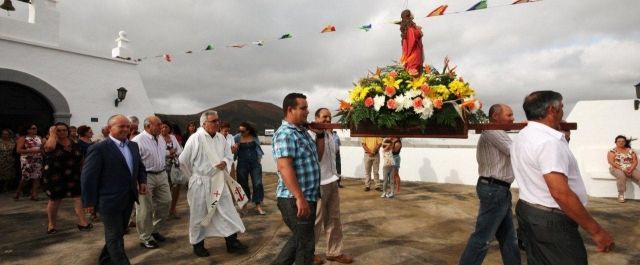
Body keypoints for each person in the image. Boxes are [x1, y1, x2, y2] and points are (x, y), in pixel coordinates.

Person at [511, 91, 614, 264]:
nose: (563, 112)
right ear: (552, 109)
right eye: (562, 107)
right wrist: (597, 231)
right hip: (551, 221)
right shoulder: (549, 142)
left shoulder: (524, 135)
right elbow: (560, 193)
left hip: (530, 211)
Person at [179, 110, 248, 258]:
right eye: (214, 121)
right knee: (199, 214)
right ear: (204, 123)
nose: (217, 123)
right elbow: (183, 161)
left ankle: (232, 242)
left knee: (227, 210)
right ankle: (197, 244)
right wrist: (194, 177)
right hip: (201, 183)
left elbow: (228, 156)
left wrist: (225, 162)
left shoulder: (221, 138)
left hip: (219, 181)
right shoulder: (195, 138)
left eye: (218, 121)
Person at [459, 104, 521, 265]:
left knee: (509, 237)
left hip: (498, 189)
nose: (513, 118)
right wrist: (530, 131)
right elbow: (515, 151)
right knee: (483, 238)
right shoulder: (492, 131)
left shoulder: (496, 132)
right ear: (495, 116)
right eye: (509, 115)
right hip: (495, 190)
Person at [81, 114, 148, 265]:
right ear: (109, 128)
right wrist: (89, 202)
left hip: (129, 198)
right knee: (114, 235)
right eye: (121, 126)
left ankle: (105, 260)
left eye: (127, 126)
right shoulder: (98, 148)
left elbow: (140, 167)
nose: (126, 129)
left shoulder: (133, 145)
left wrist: (142, 180)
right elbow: (88, 177)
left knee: (118, 234)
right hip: (108, 201)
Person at [272, 93, 321, 265]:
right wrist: (299, 197)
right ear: (290, 110)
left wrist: (320, 135)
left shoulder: (302, 132)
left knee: (300, 240)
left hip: (307, 196)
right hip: (294, 198)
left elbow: (317, 157)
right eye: (303, 108)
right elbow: (285, 167)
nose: (307, 111)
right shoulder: (286, 133)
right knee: (306, 246)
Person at [309, 108, 354, 265]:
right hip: (318, 184)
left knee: (334, 219)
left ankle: (334, 252)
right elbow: (316, 156)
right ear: (316, 118)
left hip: (332, 181)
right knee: (316, 221)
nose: (327, 120)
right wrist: (319, 135)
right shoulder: (311, 134)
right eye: (324, 117)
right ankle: (309, 254)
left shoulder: (331, 134)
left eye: (329, 117)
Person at [42, 123, 92, 234]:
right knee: (55, 200)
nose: (62, 132)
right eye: (58, 130)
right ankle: (51, 224)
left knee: (78, 197)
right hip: (54, 175)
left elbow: (81, 158)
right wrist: (52, 134)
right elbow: (49, 148)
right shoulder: (50, 141)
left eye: (64, 130)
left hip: (73, 174)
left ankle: (83, 222)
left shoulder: (74, 143)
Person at [131, 116, 172, 249]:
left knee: (166, 202)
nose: (161, 127)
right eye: (158, 125)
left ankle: (154, 229)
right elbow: (134, 162)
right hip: (145, 177)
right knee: (145, 209)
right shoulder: (137, 140)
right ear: (148, 126)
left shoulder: (160, 138)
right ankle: (145, 237)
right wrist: (138, 181)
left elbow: (159, 153)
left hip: (162, 174)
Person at [234, 122, 266, 215]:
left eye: (242, 131)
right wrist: (235, 148)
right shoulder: (237, 137)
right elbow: (232, 149)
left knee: (258, 183)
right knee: (242, 184)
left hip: (255, 163)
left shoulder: (254, 137)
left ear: (248, 130)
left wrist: (259, 158)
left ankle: (258, 205)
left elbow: (258, 148)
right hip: (242, 163)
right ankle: (244, 205)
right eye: (239, 130)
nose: (240, 132)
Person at [160, 121, 183, 219]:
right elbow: (159, 151)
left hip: (175, 165)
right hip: (164, 166)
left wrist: (174, 153)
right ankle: (164, 211)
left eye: (166, 127)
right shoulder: (158, 138)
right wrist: (169, 152)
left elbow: (180, 149)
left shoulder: (173, 137)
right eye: (162, 127)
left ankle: (173, 209)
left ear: (169, 129)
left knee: (176, 187)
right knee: (165, 189)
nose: (164, 129)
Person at [607, 135, 639, 203]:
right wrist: (623, 169)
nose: (621, 142)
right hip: (616, 168)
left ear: (625, 142)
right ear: (615, 142)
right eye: (619, 141)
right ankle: (621, 194)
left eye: (623, 141)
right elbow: (611, 162)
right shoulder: (612, 151)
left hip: (629, 168)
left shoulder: (630, 150)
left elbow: (635, 161)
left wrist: (631, 169)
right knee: (621, 176)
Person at [15, 124, 43, 201]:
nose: (35, 130)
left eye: (36, 128)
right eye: (33, 128)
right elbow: (18, 150)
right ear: (28, 130)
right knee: (25, 177)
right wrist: (32, 150)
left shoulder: (39, 138)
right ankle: (18, 192)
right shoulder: (23, 138)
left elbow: (42, 148)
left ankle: (34, 195)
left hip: (38, 159)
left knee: (36, 176)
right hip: (27, 160)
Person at [399, 9, 424, 74]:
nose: (413, 14)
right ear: (408, 16)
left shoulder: (409, 29)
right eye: (411, 13)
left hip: (412, 56)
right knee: (414, 75)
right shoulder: (410, 29)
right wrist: (418, 30)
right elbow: (415, 37)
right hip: (414, 55)